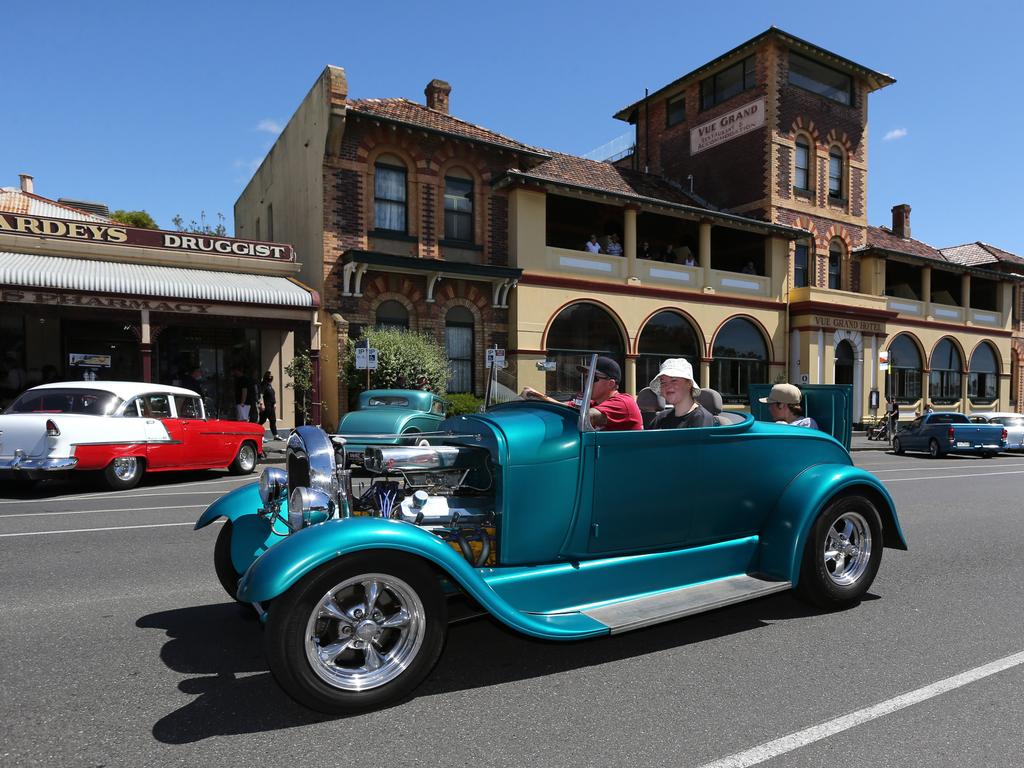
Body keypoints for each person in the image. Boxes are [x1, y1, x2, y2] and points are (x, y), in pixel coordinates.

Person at [520, 356, 642, 431]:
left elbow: (586, 416)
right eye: (586, 377)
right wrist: (537, 396)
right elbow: (565, 407)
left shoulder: (623, 403)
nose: (586, 382)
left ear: (610, 384)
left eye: (593, 378)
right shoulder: (594, 403)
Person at [648, 358, 714, 429]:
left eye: (674, 380)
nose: (667, 386)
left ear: (689, 384)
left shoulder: (701, 418)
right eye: (663, 382)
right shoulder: (660, 419)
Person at [258, 371, 283, 440]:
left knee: (273, 420)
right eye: (269, 376)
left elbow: (272, 395)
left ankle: (275, 435)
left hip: (271, 405)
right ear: (266, 377)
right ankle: (258, 434)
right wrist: (261, 403)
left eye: (271, 376)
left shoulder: (269, 385)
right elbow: (261, 394)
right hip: (266, 405)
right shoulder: (264, 384)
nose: (271, 377)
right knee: (262, 420)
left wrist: (274, 403)